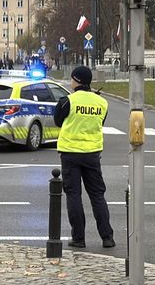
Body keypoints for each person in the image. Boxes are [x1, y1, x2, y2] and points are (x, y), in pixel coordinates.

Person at [54, 66, 114, 249]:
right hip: (92, 154)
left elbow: (58, 121)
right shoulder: (102, 103)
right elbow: (100, 122)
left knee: (73, 195)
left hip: (70, 153)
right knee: (97, 196)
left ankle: (79, 238)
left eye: (72, 79)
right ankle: (107, 238)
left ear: (76, 80)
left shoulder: (67, 101)